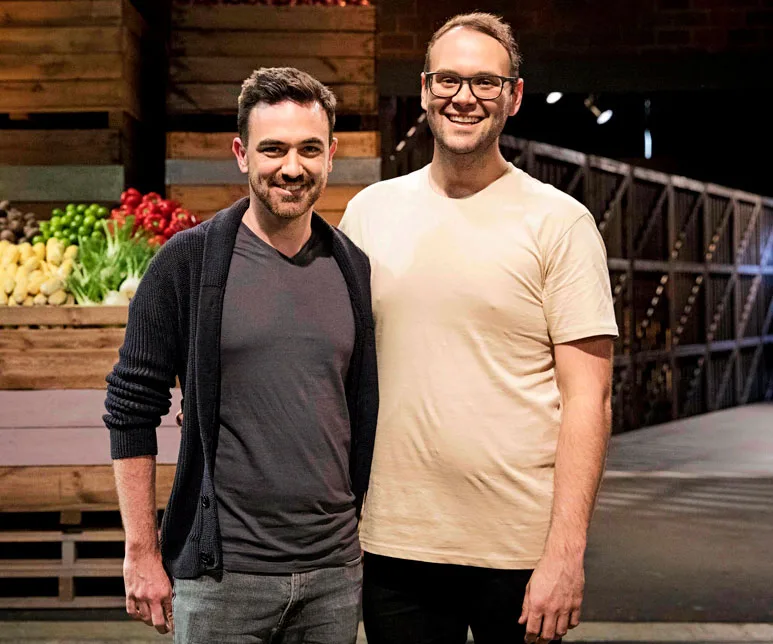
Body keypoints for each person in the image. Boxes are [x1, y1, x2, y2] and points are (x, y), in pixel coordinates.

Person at [339, 12, 618, 644]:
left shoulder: (560, 224)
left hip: (519, 553)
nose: (464, 97)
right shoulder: (369, 215)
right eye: (448, 80)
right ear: (424, 89)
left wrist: (566, 555)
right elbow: (329, 358)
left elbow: (588, 399)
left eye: (485, 83)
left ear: (513, 96)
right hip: (396, 543)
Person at [104, 67, 377, 644]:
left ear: (332, 154)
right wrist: (141, 551)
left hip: (333, 574)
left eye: (308, 149)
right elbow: (131, 408)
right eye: (272, 149)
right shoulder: (188, 263)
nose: (291, 168)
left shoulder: (353, 267)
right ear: (241, 154)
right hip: (222, 575)